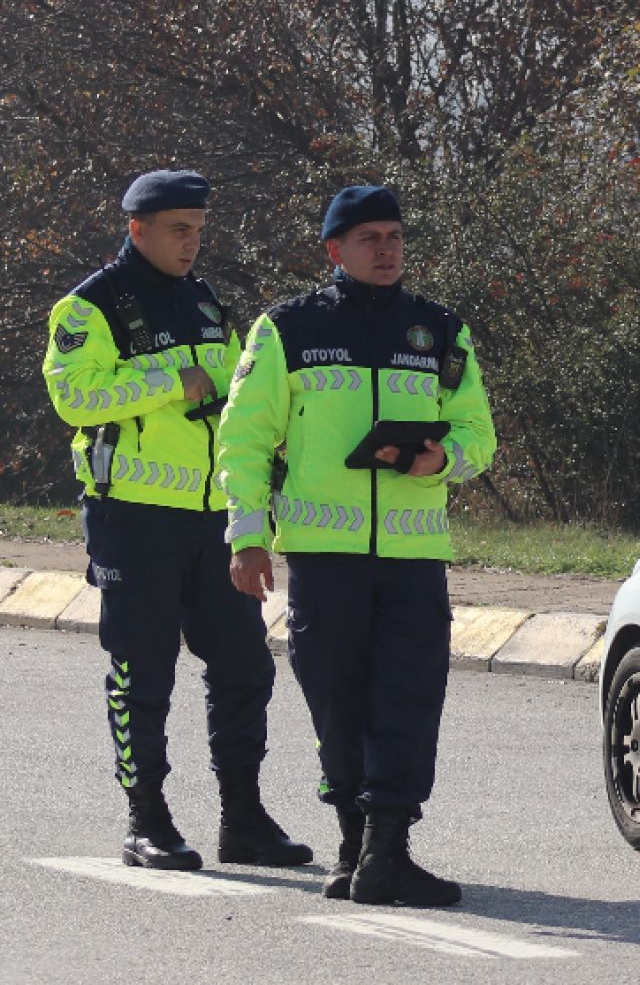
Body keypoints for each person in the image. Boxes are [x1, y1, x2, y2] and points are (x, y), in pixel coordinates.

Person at [218, 185, 496, 907]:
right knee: (336, 702)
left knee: (406, 700)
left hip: (412, 556)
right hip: (322, 555)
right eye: (370, 238)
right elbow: (244, 440)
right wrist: (247, 539)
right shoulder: (287, 329)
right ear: (334, 249)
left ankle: (388, 850)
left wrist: (442, 460)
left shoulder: (439, 329)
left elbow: (477, 434)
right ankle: (355, 845)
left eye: (396, 237)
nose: (386, 249)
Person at [40, 170, 312, 871]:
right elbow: (74, 397)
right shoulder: (89, 308)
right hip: (132, 519)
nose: (192, 243)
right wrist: (169, 385)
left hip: (212, 518)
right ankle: (147, 820)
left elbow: (234, 389)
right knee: (142, 673)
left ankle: (243, 819)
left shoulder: (203, 298)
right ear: (137, 230)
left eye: (198, 229)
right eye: (178, 230)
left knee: (246, 668)